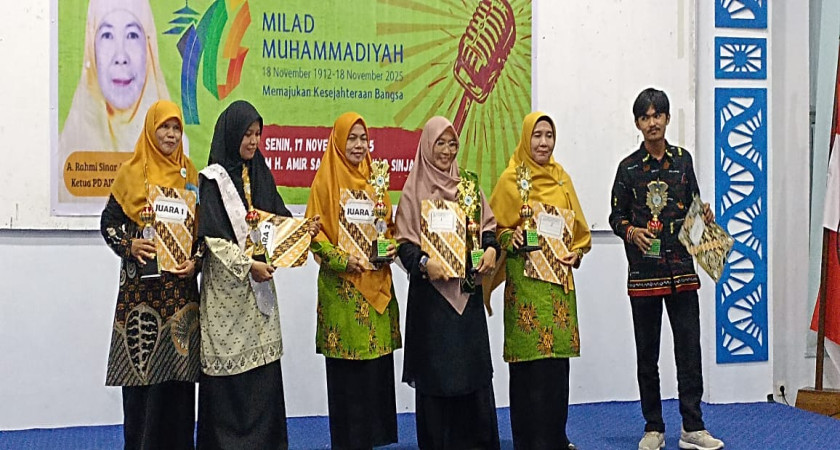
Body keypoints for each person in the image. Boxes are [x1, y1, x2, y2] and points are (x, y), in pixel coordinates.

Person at [196, 100, 319, 449]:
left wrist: (302, 231)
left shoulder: (260, 172)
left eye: (257, 134)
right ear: (232, 133)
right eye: (247, 134)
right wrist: (249, 265)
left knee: (261, 373)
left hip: (259, 293)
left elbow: (276, 218)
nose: (253, 141)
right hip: (227, 296)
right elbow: (214, 240)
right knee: (228, 374)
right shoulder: (213, 180)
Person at [609, 88, 724, 450]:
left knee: (689, 352)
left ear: (668, 119)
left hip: (683, 271)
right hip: (644, 274)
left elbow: (694, 207)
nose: (652, 122)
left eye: (657, 115)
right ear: (637, 124)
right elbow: (615, 216)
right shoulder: (628, 168)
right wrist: (632, 232)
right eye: (645, 117)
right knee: (648, 355)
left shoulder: (683, 161)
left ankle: (693, 427)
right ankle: (653, 428)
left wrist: (705, 215)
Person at [395, 116, 501, 449]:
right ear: (427, 145)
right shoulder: (413, 190)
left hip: (467, 297)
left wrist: (491, 250)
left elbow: (488, 229)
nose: (446, 150)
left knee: (472, 378)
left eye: (451, 143)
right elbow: (403, 245)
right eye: (439, 143)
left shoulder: (468, 187)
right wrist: (425, 264)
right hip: (431, 304)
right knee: (436, 381)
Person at [100, 100, 200, 449]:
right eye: (164, 128)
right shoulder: (131, 172)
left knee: (178, 384)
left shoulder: (190, 175)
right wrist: (129, 245)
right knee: (143, 383)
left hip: (180, 299)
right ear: (151, 129)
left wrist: (196, 261)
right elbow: (108, 224)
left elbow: (201, 233)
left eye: (176, 128)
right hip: (140, 299)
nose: (171, 135)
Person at [488, 112, 591, 450]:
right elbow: (493, 231)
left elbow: (579, 234)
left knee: (556, 370)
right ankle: (529, 442)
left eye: (549, 135)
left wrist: (577, 253)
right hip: (526, 292)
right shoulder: (510, 180)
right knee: (528, 370)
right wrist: (511, 237)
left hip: (558, 291)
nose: (544, 142)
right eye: (537, 135)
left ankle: (556, 439)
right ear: (525, 138)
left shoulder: (561, 179)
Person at [305, 112, 402, 449]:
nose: (359, 145)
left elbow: (388, 228)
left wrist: (391, 245)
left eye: (364, 139)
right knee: (347, 382)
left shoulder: (376, 181)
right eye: (352, 138)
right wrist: (343, 259)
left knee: (373, 381)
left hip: (376, 294)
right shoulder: (325, 181)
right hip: (342, 297)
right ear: (338, 141)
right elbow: (314, 235)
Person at [60, 0, 171, 203]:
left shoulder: (178, 151)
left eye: (132, 35)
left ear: (149, 49)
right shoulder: (69, 148)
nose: (121, 56)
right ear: (91, 49)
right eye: (107, 35)